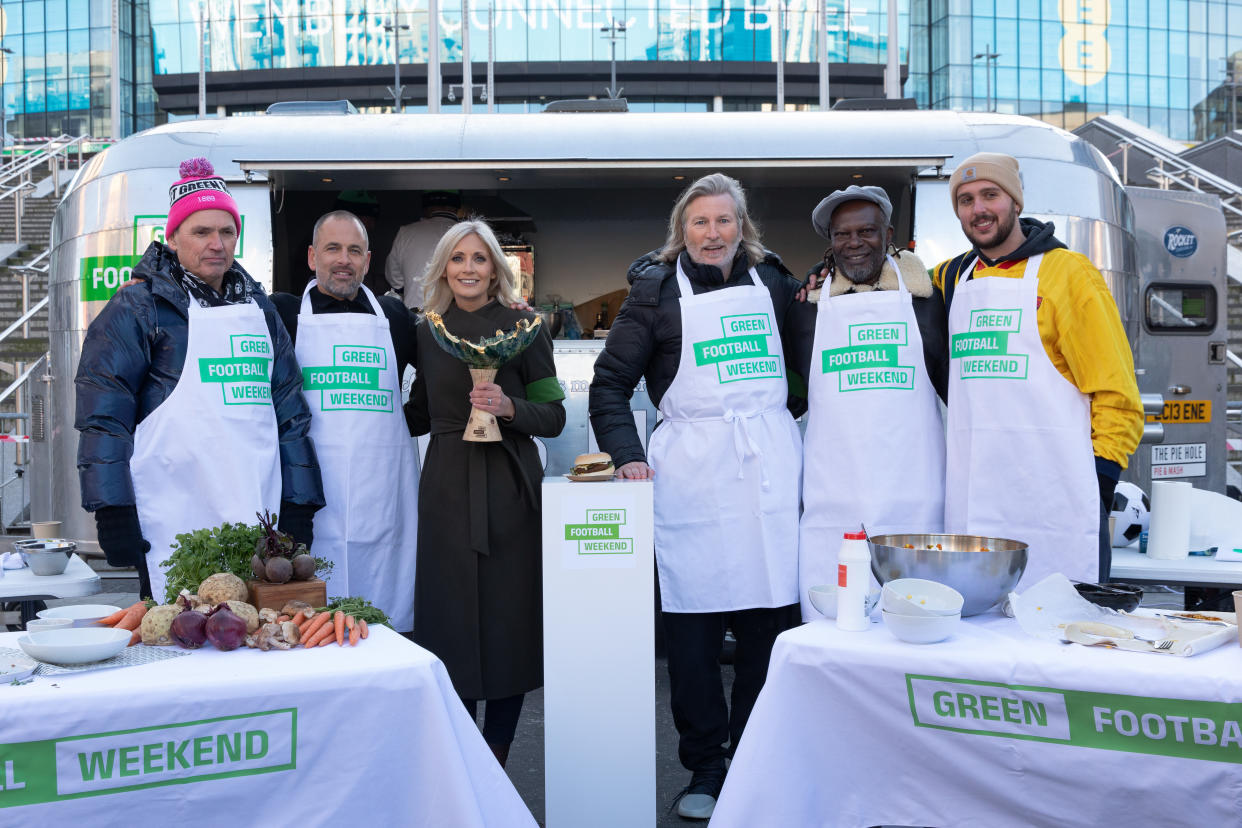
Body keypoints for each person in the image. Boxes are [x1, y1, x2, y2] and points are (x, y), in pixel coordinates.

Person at [588, 173, 810, 820]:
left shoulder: (774, 284)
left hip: (765, 470)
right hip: (691, 474)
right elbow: (609, 385)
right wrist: (629, 458)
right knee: (693, 634)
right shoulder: (654, 292)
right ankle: (706, 766)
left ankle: (755, 758)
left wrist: (775, 416)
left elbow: (807, 364)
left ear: (743, 228)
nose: (713, 233)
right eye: (700, 222)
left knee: (769, 626)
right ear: (680, 231)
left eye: (724, 221)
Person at [75, 157, 323, 602]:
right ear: (172, 237)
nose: (216, 243)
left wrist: (299, 503)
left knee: (251, 633)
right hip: (171, 511)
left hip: (255, 509)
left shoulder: (259, 309)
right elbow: (103, 414)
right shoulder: (137, 307)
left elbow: (290, 412)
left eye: (227, 232)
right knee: (178, 633)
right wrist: (112, 509)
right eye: (201, 231)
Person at [933, 152, 1143, 585]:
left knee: (1065, 631)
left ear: (1016, 201)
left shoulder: (1069, 274)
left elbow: (1117, 392)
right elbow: (892, 282)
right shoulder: (951, 278)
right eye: (966, 200)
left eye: (991, 195)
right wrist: (824, 279)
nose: (979, 209)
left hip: (1057, 497)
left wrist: (1101, 481)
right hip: (977, 500)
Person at [406, 218, 565, 768]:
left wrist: (511, 408)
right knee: (447, 622)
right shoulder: (427, 330)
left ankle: (494, 759)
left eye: (479, 258)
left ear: (497, 267)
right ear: (444, 268)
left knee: (507, 624)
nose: (468, 269)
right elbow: (421, 412)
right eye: (458, 258)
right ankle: (459, 758)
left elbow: (554, 417)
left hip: (509, 487)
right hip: (447, 487)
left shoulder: (528, 327)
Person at [794, 185, 948, 621]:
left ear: (889, 234)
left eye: (867, 231)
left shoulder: (927, 301)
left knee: (913, 616)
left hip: (912, 492)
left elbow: (953, 386)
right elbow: (790, 388)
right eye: (843, 234)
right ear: (830, 242)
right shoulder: (807, 307)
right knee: (833, 620)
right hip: (833, 493)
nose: (855, 242)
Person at [270, 211, 420, 633]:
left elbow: (441, 366)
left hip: (383, 492)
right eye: (333, 248)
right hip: (310, 492)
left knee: (385, 616)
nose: (344, 260)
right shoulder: (281, 313)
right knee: (313, 620)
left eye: (354, 250)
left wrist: (506, 305)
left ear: (368, 261)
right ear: (313, 256)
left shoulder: (396, 317)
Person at [386, 191, 462, 309]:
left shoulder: (406, 232)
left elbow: (395, 280)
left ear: (426, 208)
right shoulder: (470, 235)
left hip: (415, 316)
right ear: (456, 208)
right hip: (456, 317)